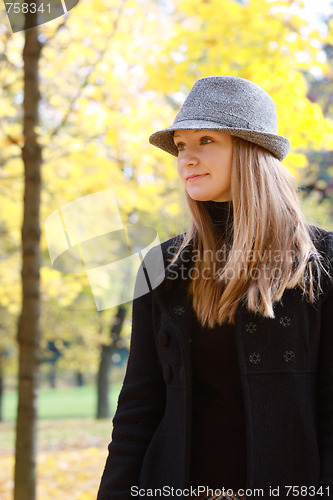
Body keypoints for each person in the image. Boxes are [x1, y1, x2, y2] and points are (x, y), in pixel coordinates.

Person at [97, 76, 333, 500]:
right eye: (182, 145)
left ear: (251, 151)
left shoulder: (322, 262)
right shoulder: (162, 266)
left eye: (206, 140)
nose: (187, 158)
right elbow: (138, 406)